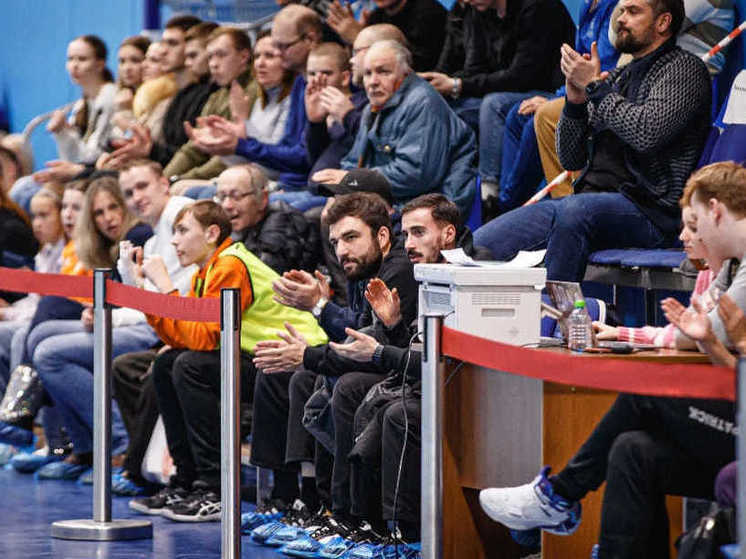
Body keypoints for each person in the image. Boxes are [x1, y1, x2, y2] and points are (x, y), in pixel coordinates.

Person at [479, 161, 745, 559]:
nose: (688, 236)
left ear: (716, 211)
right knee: (631, 449)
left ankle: (559, 495)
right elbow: (703, 335)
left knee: (646, 393)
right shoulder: (733, 266)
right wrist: (707, 338)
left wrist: (707, 338)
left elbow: (709, 335)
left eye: (695, 223)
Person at [474, 0, 712, 282]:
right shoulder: (620, 76)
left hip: (649, 213)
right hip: (588, 205)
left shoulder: (684, 69)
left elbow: (646, 133)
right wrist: (574, 102)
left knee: (576, 211)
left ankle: (555, 309)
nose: (620, 18)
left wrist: (594, 87)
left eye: (633, 11)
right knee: (479, 244)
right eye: (621, 10)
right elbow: (570, 158)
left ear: (662, 22)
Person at [126, 200, 327, 522]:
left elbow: (203, 339)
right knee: (168, 363)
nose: (174, 241)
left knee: (188, 366)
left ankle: (213, 487)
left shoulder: (230, 264)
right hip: (256, 354)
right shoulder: (206, 271)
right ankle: (186, 479)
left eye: (182, 231)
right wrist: (147, 294)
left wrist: (165, 289)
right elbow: (184, 337)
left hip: (296, 358)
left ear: (211, 233)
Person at [243, 193, 418, 540]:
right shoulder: (362, 268)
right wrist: (320, 310)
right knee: (294, 376)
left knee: (342, 383)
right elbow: (357, 331)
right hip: (386, 359)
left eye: (351, 237)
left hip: (402, 369)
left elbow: (365, 343)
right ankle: (303, 500)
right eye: (336, 242)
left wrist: (319, 312)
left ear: (382, 235)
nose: (341, 250)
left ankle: (350, 516)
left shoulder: (397, 268)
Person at [31, 176, 157, 480]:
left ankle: (117, 443)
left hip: (148, 327)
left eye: (113, 207)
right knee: (39, 334)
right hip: (122, 321)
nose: (107, 218)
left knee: (49, 353)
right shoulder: (105, 248)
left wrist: (104, 316)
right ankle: (84, 447)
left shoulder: (138, 235)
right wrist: (96, 313)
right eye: (99, 213)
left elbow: (144, 303)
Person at [418, 0, 575, 208]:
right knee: (446, 110)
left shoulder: (538, 7)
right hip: (502, 91)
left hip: (546, 92)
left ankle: (490, 195)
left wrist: (457, 85)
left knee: (494, 105)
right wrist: (444, 84)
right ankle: (436, 194)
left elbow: (522, 76)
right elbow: (475, 68)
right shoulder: (479, 11)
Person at [109, 158, 198, 494]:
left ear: (164, 183)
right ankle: (146, 464)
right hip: (170, 328)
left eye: (142, 186)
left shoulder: (181, 216)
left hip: (195, 330)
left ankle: (137, 468)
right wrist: (130, 279)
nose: (137, 197)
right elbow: (150, 302)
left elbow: (177, 299)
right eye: (129, 192)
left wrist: (113, 315)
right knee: (124, 367)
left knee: (158, 369)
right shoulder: (152, 239)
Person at [183, 6, 324, 210]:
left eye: (279, 49)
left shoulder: (302, 86)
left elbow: (297, 157)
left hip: (289, 182)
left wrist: (240, 139)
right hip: (280, 180)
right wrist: (229, 143)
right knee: (194, 194)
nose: (261, 63)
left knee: (206, 196)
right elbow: (278, 150)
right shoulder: (273, 93)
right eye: (257, 56)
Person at [314, 40, 477, 217]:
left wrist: (353, 180)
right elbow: (354, 161)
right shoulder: (372, 108)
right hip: (390, 201)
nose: (373, 82)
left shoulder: (423, 102)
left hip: (432, 208)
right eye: (368, 73)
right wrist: (338, 192)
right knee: (320, 217)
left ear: (405, 74)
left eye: (384, 72)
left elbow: (416, 175)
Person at [495, 0, 619, 213]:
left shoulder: (616, 7)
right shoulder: (587, 5)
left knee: (537, 121)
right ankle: (511, 203)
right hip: (579, 87)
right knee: (517, 115)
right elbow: (577, 63)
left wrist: (559, 98)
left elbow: (604, 67)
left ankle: (511, 206)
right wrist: (561, 94)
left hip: (605, 90)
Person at [104, 22, 219, 169]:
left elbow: (192, 155)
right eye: (121, 61)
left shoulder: (203, 94)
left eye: (172, 43)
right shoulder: (179, 95)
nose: (163, 51)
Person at [163, 27, 253, 183]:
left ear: (244, 56)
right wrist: (163, 179)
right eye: (210, 57)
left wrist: (180, 179)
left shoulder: (254, 91)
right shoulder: (217, 96)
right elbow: (194, 148)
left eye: (221, 55)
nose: (213, 64)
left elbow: (229, 154)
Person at [216, 164, 320, 274]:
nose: (227, 205)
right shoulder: (239, 227)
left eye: (237, 196)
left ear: (263, 198)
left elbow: (261, 275)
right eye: (222, 197)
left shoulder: (280, 226)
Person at [48, 35, 118, 164]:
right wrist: (62, 131)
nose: (74, 65)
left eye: (82, 59)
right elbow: (72, 158)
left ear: (100, 64)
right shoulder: (80, 105)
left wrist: (64, 131)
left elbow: (93, 155)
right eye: (70, 59)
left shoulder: (110, 97)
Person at [304, 42, 368, 179]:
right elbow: (314, 161)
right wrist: (316, 123)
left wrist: (348, 116)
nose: (317, 80)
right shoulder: (314, 106)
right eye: (311, 74)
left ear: (345, 77)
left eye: (326, 73)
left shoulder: (362, 106)